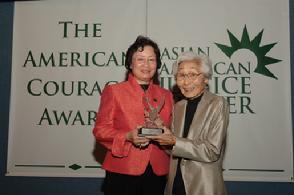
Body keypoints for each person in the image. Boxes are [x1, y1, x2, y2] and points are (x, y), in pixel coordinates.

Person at [92, 35, 173, 195]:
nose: (146, 64)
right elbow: (100, 131)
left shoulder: (167, 95)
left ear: (157, 64)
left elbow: (172, 132)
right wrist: (128, 136)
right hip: (122, 169)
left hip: (157, 172)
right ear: (130, 63)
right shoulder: (114, 92)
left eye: (151, 59)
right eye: (140, 59)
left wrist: (165, 133)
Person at [148, 51, 229, 195]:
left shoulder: (217, 103)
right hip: (175, 185)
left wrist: (174, 141)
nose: (186, 82)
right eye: (181, 75)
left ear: (205, 78)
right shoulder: (179, 106)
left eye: (192, 74)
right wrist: (160, 131)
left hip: (203, 186)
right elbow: (173, 149)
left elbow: (211, 151)